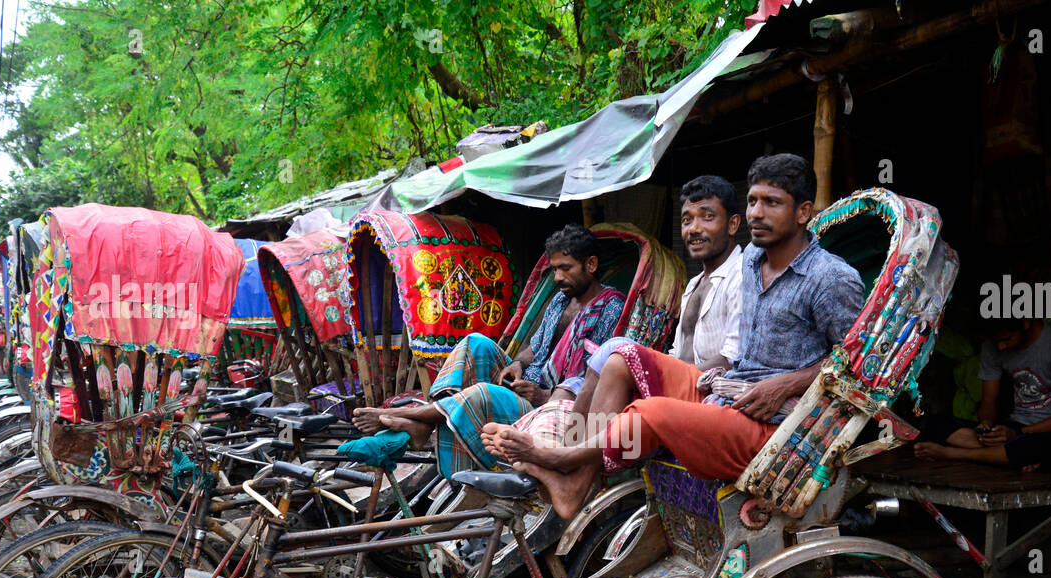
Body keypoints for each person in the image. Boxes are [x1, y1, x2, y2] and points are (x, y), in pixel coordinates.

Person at [484, 153, 867, 518]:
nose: (757, 213)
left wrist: (783, 385)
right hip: (728, 391)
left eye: (772, 202)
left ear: (803, 213)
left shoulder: (830, 278)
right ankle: (579, 482)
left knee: (649, 414)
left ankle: (563, 458)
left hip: (775, 424)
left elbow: (858, 362)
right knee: (619, 357)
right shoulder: (752, 259)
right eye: (753, 201)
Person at [350, 224, 625, 474]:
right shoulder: (560, 301)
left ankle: (409, 415)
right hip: (530, 384)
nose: (557, 277)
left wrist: (543, 395)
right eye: (554, 269)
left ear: (590, 265)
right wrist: (518, 364)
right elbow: (537, 346)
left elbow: (594, 380)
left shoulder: (612, 309)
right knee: (475, 343)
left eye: (566, 268)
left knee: (482, 393)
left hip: (556, 407)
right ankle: (428, 420)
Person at [570, 175, 744, 417]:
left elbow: (731, 359)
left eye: (707, 217)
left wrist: (661, 374)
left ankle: (580, 450)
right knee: (588, 372)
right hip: (680, 381)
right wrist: (663, 372)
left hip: (708, 386)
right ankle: (574, 445)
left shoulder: (743, 275)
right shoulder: (694, 284)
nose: (694, 229)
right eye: (686, 220)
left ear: (733, 224)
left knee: (619, 349)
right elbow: (677, 351)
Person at [913, 316, 1051, 471]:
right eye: (997, 341)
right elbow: (988, 401)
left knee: (1037, 447)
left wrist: (1019, 434)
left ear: (1025, 322)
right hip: (1015, 427)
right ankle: (1004, 455)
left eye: (1006, 339)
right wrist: (986, 425)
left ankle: (953, 453)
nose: (1000, 346)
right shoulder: (993, 344)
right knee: (936, 424)